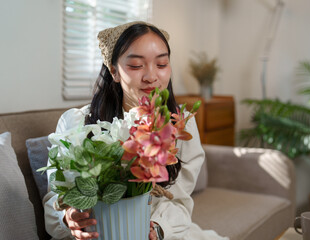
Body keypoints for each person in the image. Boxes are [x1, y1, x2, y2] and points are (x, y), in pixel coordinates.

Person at [43, 21, 229, 240]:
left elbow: (179, 201)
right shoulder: (76, 123)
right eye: (136, 65)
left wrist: (159, 229)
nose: (151, 76)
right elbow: (54, 200)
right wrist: (68, 218)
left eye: (161, 64)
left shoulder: (180, 125)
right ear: (114, 71)